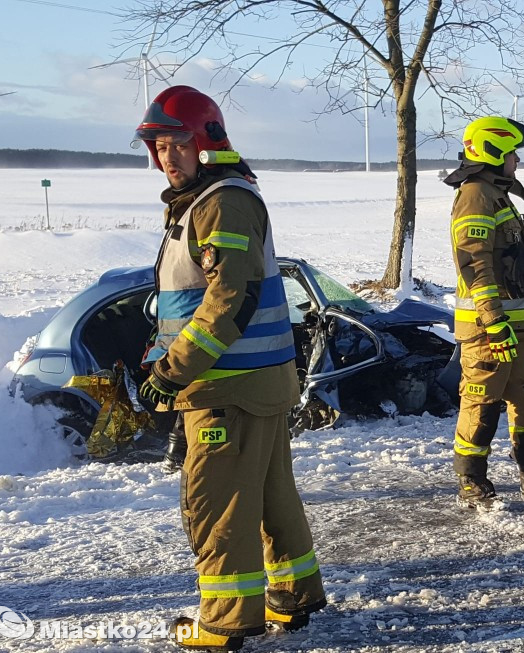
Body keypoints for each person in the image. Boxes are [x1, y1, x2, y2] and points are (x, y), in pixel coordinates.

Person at [134, 85, 326, 651]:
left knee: (217, 503)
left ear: (206, 143)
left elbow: (229, 300)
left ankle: (222, 624)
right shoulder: (213, 198)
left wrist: (172, 369)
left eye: (178, 143)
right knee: (269, 495)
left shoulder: (222, 201)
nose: (167, 157)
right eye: (159, 146)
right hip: (256, 381)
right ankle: (293, 598)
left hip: (226, 386)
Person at [443, 116, 524, 507]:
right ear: (493, 151)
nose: (517, 159)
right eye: (512, 152)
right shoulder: (475, 195)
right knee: (481, 406)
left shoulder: (495, 193)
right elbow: (474, 261)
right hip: (489, 332)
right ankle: (471, 482)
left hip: (513, 330)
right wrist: (492, 319)